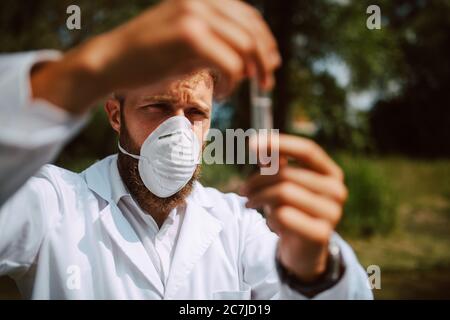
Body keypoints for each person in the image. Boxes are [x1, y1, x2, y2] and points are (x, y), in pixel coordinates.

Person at [0, 0, 372, 299]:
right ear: (115, 115)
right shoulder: (53, 203)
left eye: (195, 113)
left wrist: (316, 266)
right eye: (157, 107)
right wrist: (87, 69)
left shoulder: (239, 223)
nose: (178, 131)